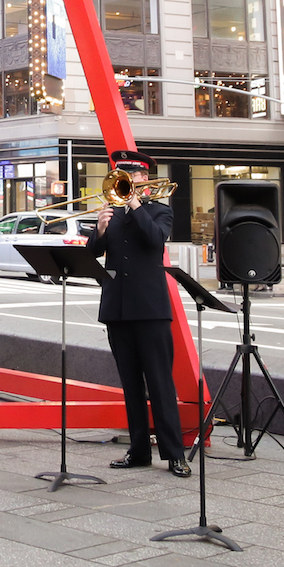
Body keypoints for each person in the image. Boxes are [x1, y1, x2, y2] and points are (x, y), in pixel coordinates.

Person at [86, 150, 190, 477]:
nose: (126, 180)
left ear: (145, 178)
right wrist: (99, 231)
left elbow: (155, 240)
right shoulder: (111, 211)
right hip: (117, 309)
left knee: (160, 384)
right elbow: (93, 255)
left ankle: (175, 455)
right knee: (130, 387)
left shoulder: (160, 211)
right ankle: (139, 450)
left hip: (150, 310)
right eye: (121, 174)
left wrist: (133, 204)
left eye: (132, 175)